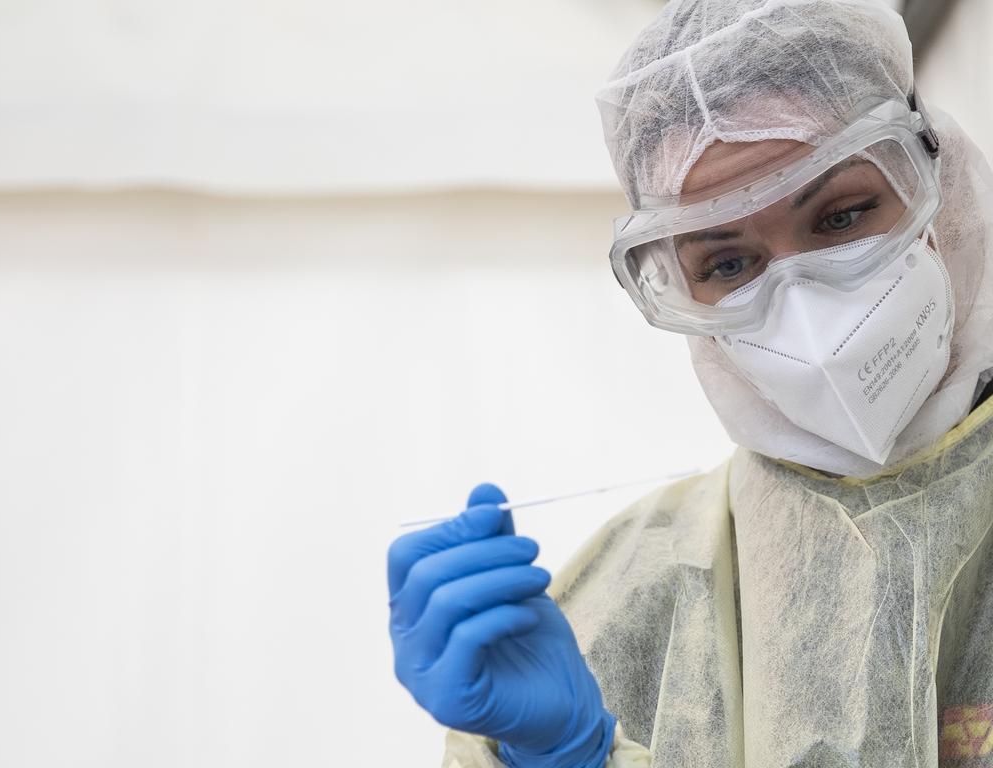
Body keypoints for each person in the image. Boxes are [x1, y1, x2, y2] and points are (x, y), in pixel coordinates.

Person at [387, 0, 993, 765]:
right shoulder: (626, 599)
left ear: (943, 185)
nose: (801, 307)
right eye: (730, 266)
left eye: (840, 218)